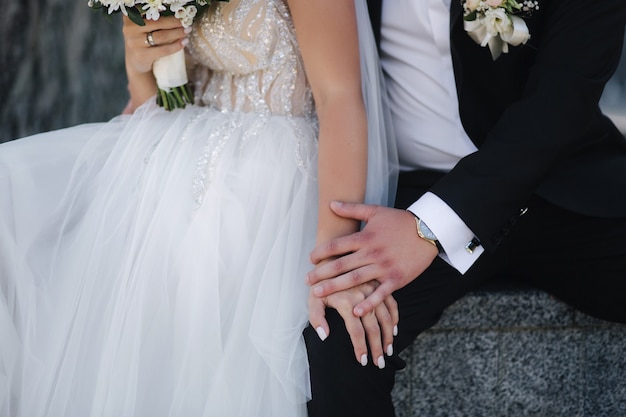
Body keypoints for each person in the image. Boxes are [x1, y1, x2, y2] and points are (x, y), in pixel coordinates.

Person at [0, 1, 397, 416]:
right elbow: (148, 105)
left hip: (274, 186)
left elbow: (339, 98)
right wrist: (140, 61)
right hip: (175, 158)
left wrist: (337, 263)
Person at [304, 0, 626, 416]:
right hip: (407, 192)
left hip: (560, 182)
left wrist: (432, 226)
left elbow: (563, 99)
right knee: (339, 337)